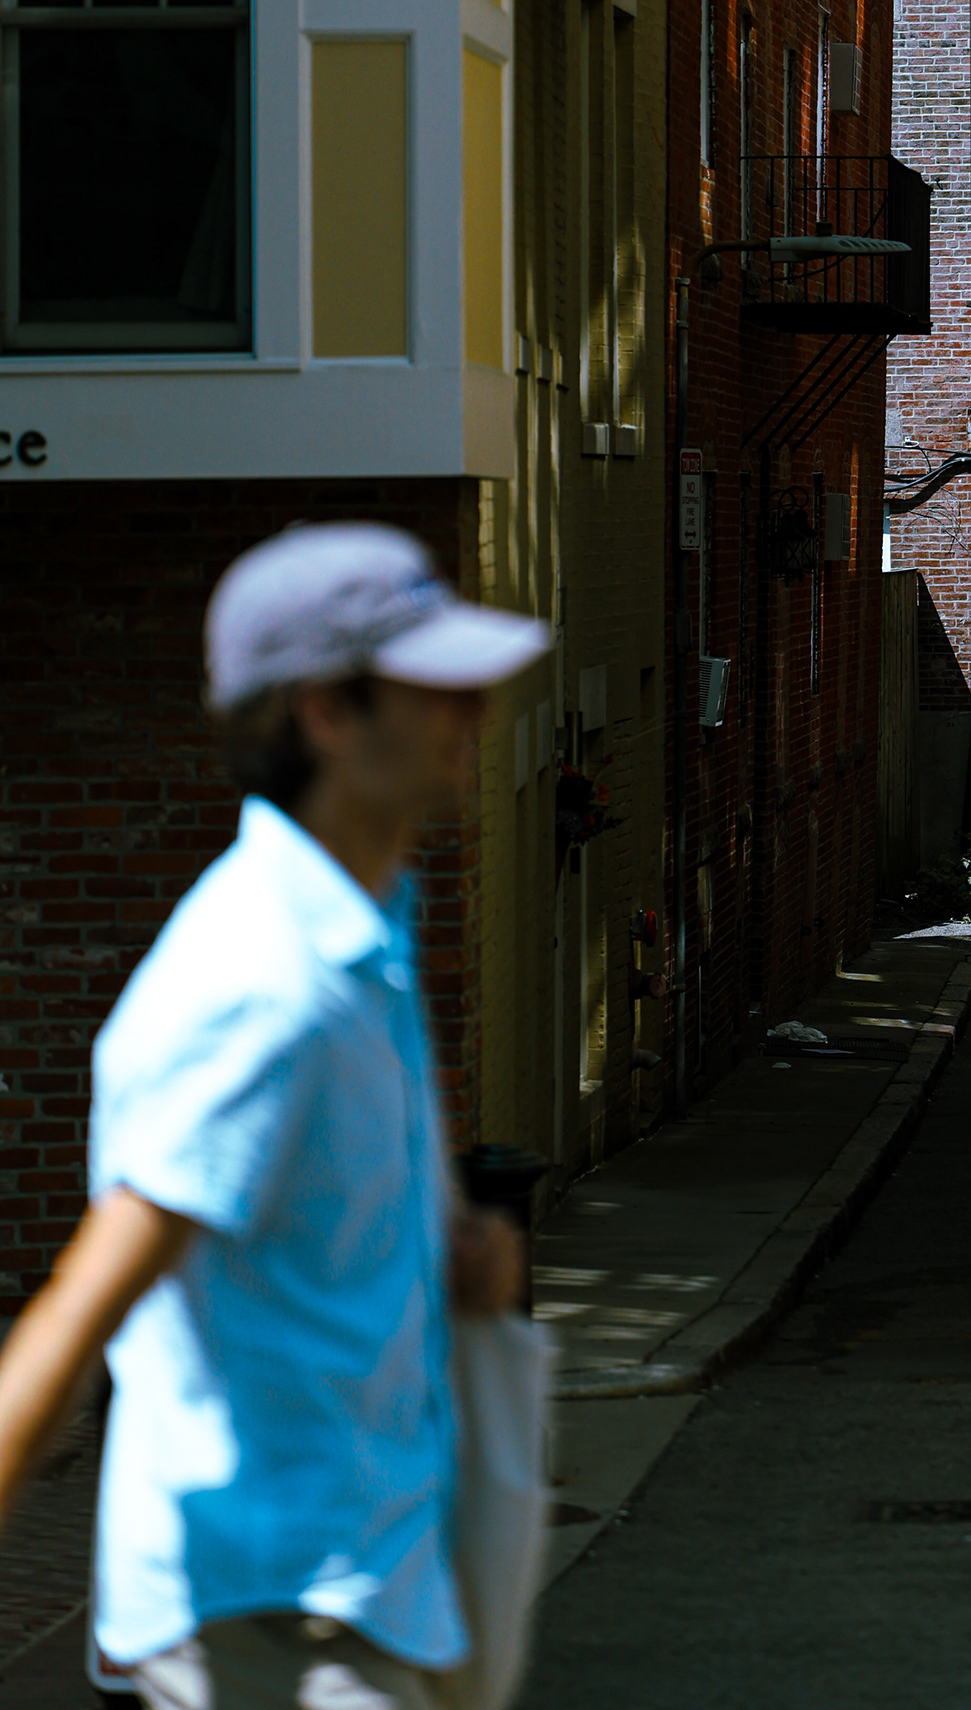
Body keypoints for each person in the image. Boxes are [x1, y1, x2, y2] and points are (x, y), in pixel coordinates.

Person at [0, 523, 551, 1710]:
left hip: (357, 1585)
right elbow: (82, 1310)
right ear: (327, 713)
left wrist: (441, 1269)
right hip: (274, 1618)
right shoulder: (266, 981)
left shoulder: (360, 932)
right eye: (434, 685)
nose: (473, 710)